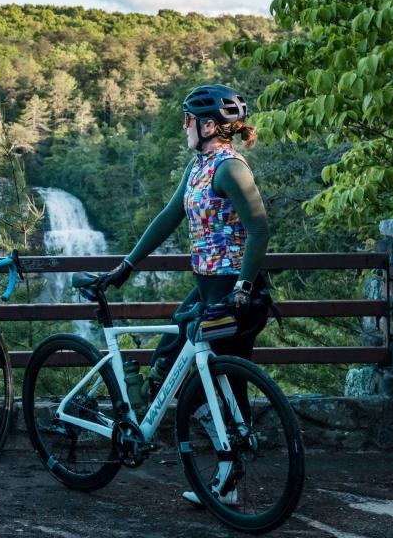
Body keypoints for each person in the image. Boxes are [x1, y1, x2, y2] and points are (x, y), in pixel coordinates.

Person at [102, 83, 271, 507]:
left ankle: (229, 481)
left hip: (235, 294)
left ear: (209, 125)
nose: (184, 126)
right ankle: (227, 473)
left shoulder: (231, 169)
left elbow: (260, 229)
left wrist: (243, 288)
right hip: (206, 290)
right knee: (169, 360)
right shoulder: (198, 166)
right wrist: (127, 265)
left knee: (225, 383)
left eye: (189, 120)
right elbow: (168, 216)